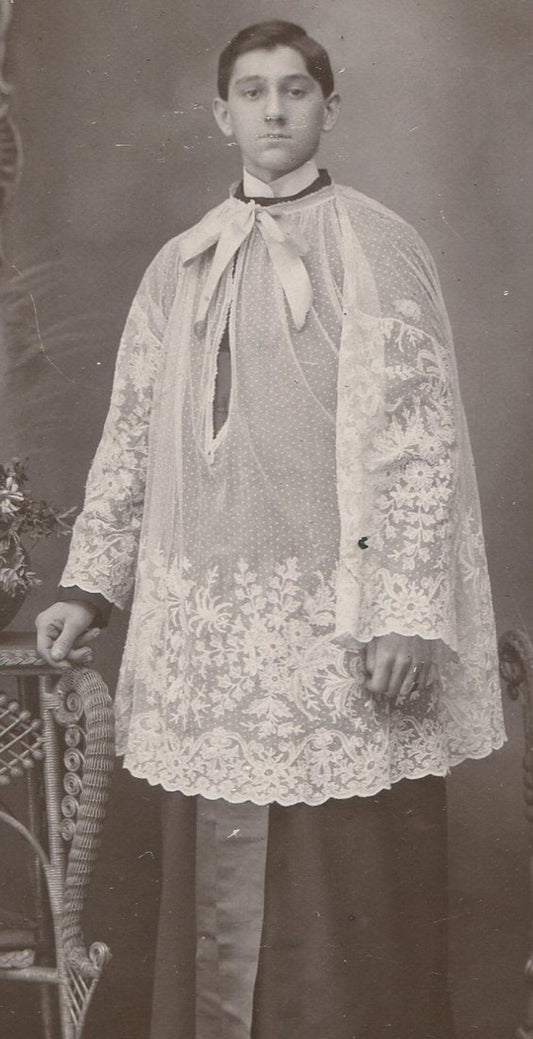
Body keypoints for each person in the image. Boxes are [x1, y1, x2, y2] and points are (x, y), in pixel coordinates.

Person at [35, 20, 505, 1039]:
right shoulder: (178, 266)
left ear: (329, 108)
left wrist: (407, 614)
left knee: (343, 902)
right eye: (252, 92)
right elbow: (130, 435)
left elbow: (417, 443)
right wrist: (87, 587)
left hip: (342, 633)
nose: (275, 110)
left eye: (296, 90)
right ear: (221, 115)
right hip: (214, 642)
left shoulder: (375, 247)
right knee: (217, 890)